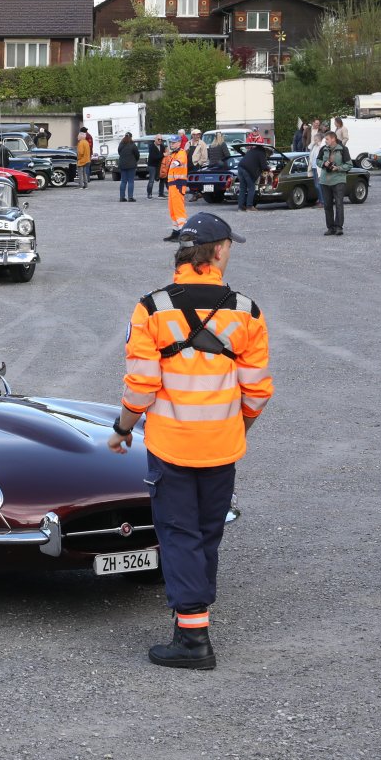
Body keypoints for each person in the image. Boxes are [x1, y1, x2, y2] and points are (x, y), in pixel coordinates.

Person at [108, 212, 272, 669]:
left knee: (179, 534)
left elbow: (141, 386)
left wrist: (122, 430)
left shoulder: (151, 308)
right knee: (207, 534)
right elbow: (257, 391)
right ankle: (196, 619)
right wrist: (236, 427)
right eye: (229, 247)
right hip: (222, 446)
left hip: (172, 446)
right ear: (217, 251)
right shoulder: (247, 310)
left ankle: (193, 637)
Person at [319, 130, 352, 236]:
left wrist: (338, 168)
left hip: (339, 180)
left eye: (327, 139)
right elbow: (317, 161)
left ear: (333, 139)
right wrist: (324, 164)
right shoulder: (323, 149)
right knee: (327, 205)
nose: (325, 141)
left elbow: (349, 165)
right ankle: (330, 228)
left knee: (339, 204)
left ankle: (338, 227)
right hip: (325, 181)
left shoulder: (343, 149)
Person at [161, 142, 190, 241]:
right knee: (173, 209)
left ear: (179, 143)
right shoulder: (173, 154)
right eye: (171, 143)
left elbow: (180, 161)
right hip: (172, 185)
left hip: (178, 184)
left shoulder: (181, 153)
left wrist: (175, 163)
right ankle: (176, 232)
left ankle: (183, 233)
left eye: (174, 143)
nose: (172, 144)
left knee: (178, 209)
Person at [236, 144, 268, 212]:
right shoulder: (261, 153)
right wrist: (269, 168)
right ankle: (249, 207)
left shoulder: (252, 151)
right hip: (248, 170)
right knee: (251, 188)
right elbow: (264, 166)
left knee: (243, 188)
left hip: (240, 167)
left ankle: (240, 207)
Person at [117, 132, 139, 202]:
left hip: (122, 165)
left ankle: (122, 197)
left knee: (123, 181)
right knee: (130, 181)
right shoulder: (133, 145)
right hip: (131, 165)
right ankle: (130, 197)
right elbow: (137, 155)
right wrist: (135, 160)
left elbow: (119, 153)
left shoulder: (121, 144)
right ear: (131, 137)